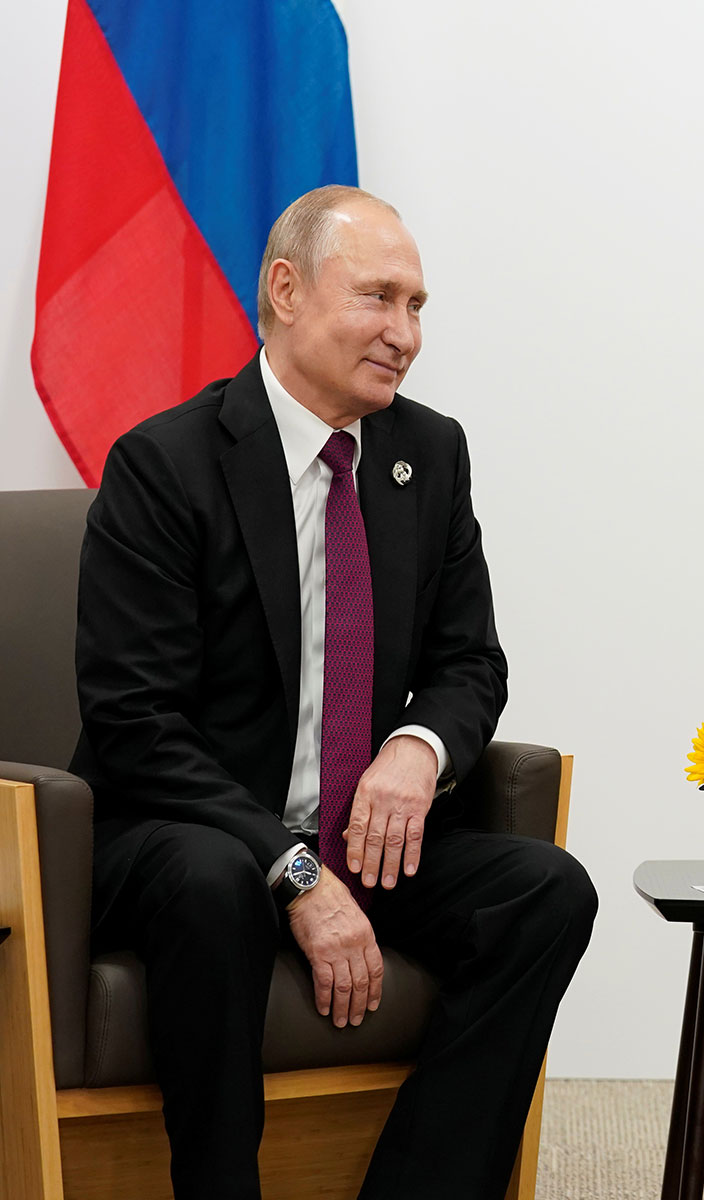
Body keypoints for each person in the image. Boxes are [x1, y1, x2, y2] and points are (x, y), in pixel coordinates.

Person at [73, 184, 597, 1200]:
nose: (404, 334)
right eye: (379, 298)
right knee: (214, 880)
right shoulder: (164, 465)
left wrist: (419, 750)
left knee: (545, 893)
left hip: (357, 833)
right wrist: (294, 872)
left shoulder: (427, 453)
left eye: (417, 308)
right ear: (285, 290)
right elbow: (134, 725)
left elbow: (468, 663)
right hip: (192, 835)